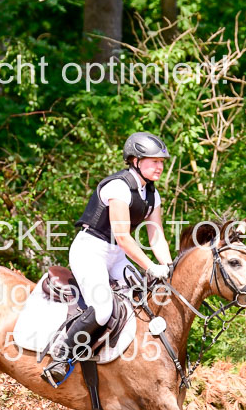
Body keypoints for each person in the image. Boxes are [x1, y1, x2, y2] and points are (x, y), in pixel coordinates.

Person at [41, 131, 175, 387]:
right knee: (103, 310)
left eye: (162, 162)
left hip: (116, 256)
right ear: (135, 160)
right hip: (90, 250)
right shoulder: (119, 187)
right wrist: (151, 267)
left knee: (144, 300)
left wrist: (168, 269)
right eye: (154, 161)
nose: (160, 167)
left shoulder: (152, 194)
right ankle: (61, 357)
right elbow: (123, 236)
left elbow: (156, 237)